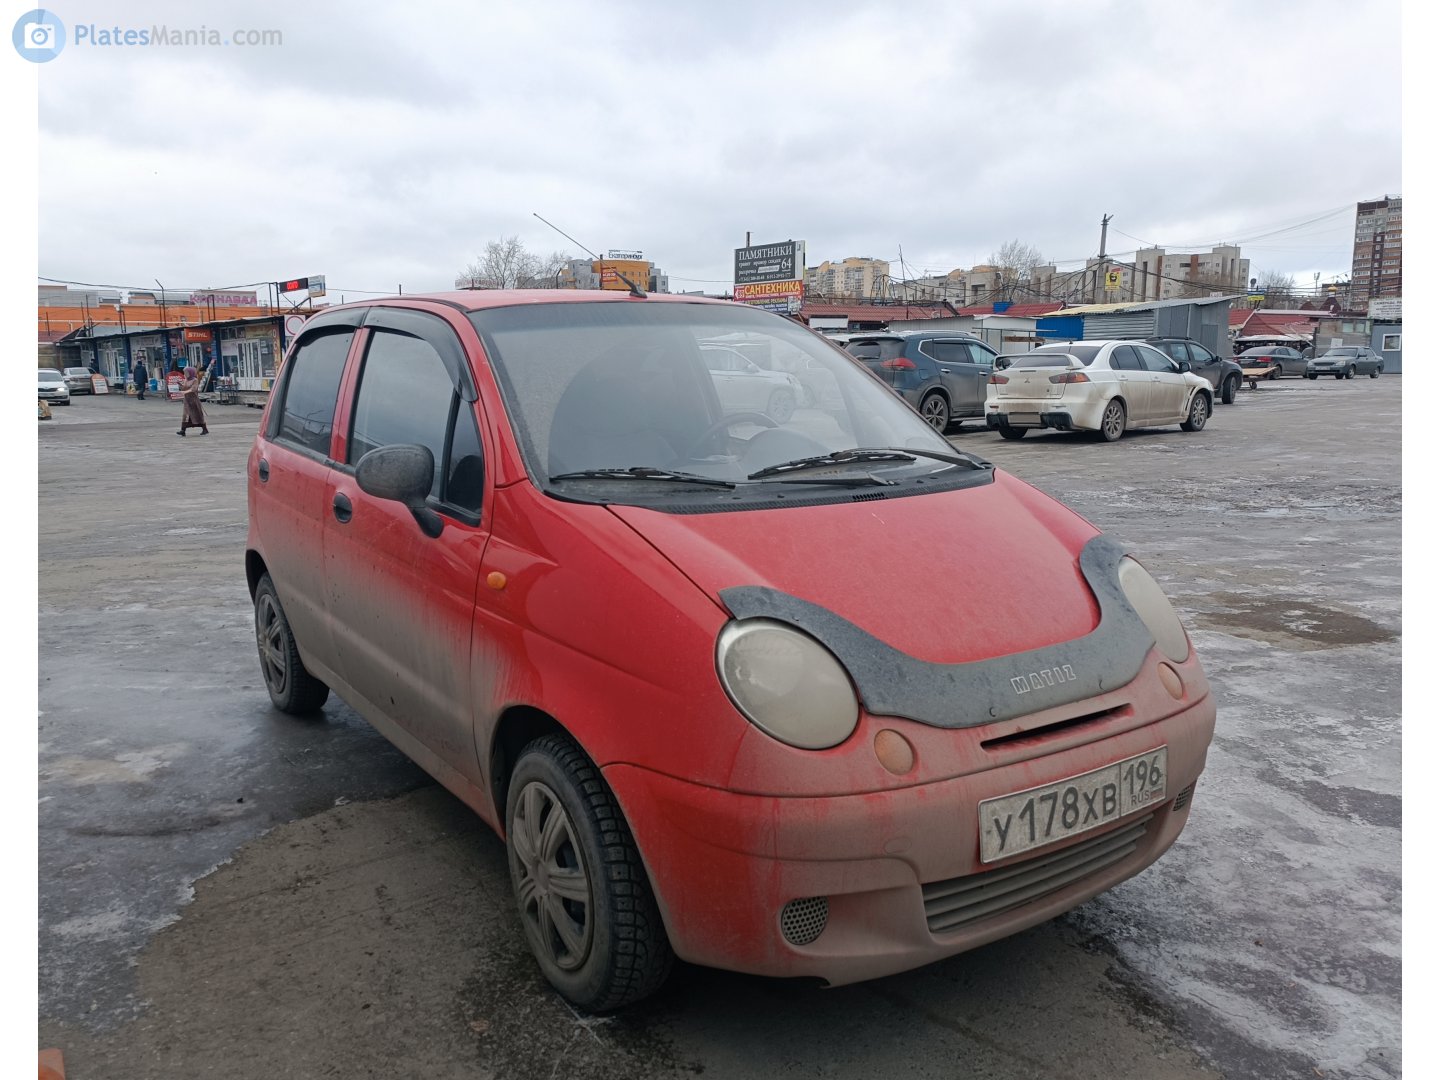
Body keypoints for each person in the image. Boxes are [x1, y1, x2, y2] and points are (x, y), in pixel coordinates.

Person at [176, 366, 209, 436]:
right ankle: (183, 430)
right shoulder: (186, 380)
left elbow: (193, 389)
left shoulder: (195, 380)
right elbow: (184, 388)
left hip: (193, 401)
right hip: (187, 401)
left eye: (186, 373)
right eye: (185, 373)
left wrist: (185, 392)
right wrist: (180, 385)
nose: (185, 374)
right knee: (185, 415)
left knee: (197, 415)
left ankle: (204, 429)